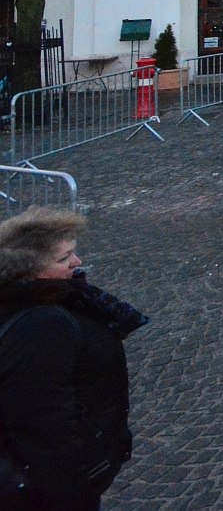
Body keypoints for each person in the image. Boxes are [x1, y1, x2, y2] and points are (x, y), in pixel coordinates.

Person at [0, 207, 148, 511]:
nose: (77, 262)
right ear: (28, 271)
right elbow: (43, 427)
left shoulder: (54, 297)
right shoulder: (41, 326)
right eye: (64, 258)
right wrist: (76, 496)